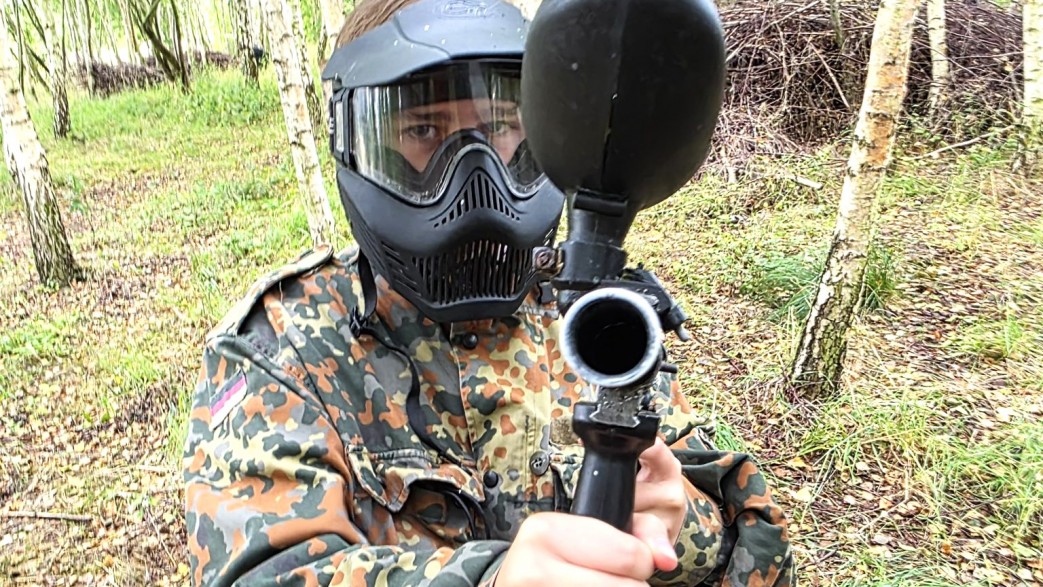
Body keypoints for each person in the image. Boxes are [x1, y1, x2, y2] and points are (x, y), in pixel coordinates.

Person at [182, 0, 795, 585]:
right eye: (424, 129)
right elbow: (263, 570)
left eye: (501, 126)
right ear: (359, 143)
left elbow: (742, 531)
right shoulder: (285, 346)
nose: (474, 175)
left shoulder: (592, 322)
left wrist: (681, 531)